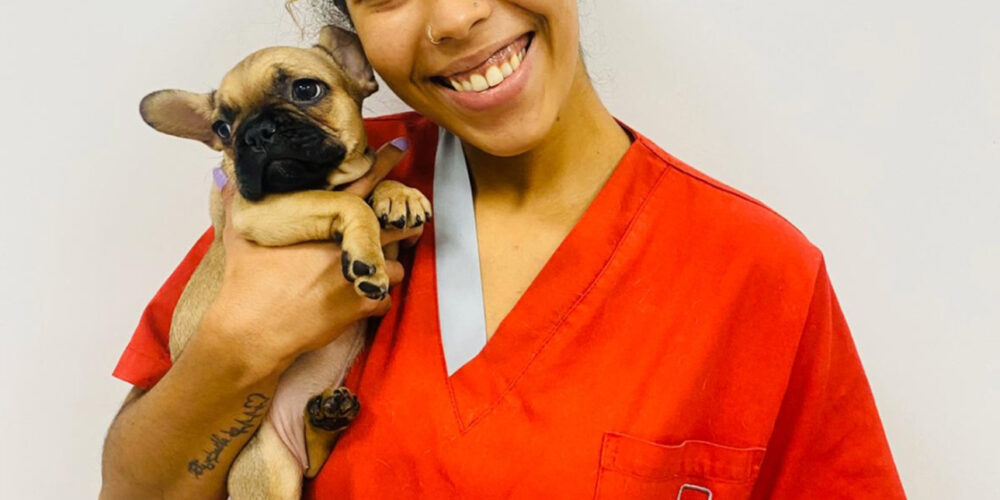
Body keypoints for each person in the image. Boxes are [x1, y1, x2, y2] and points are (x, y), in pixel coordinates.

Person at [101, 0, 907, 498]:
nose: (454, 17)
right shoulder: (307, 192)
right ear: (356, 42)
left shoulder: (758, 270)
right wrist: (242, 344)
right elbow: (132, 492)